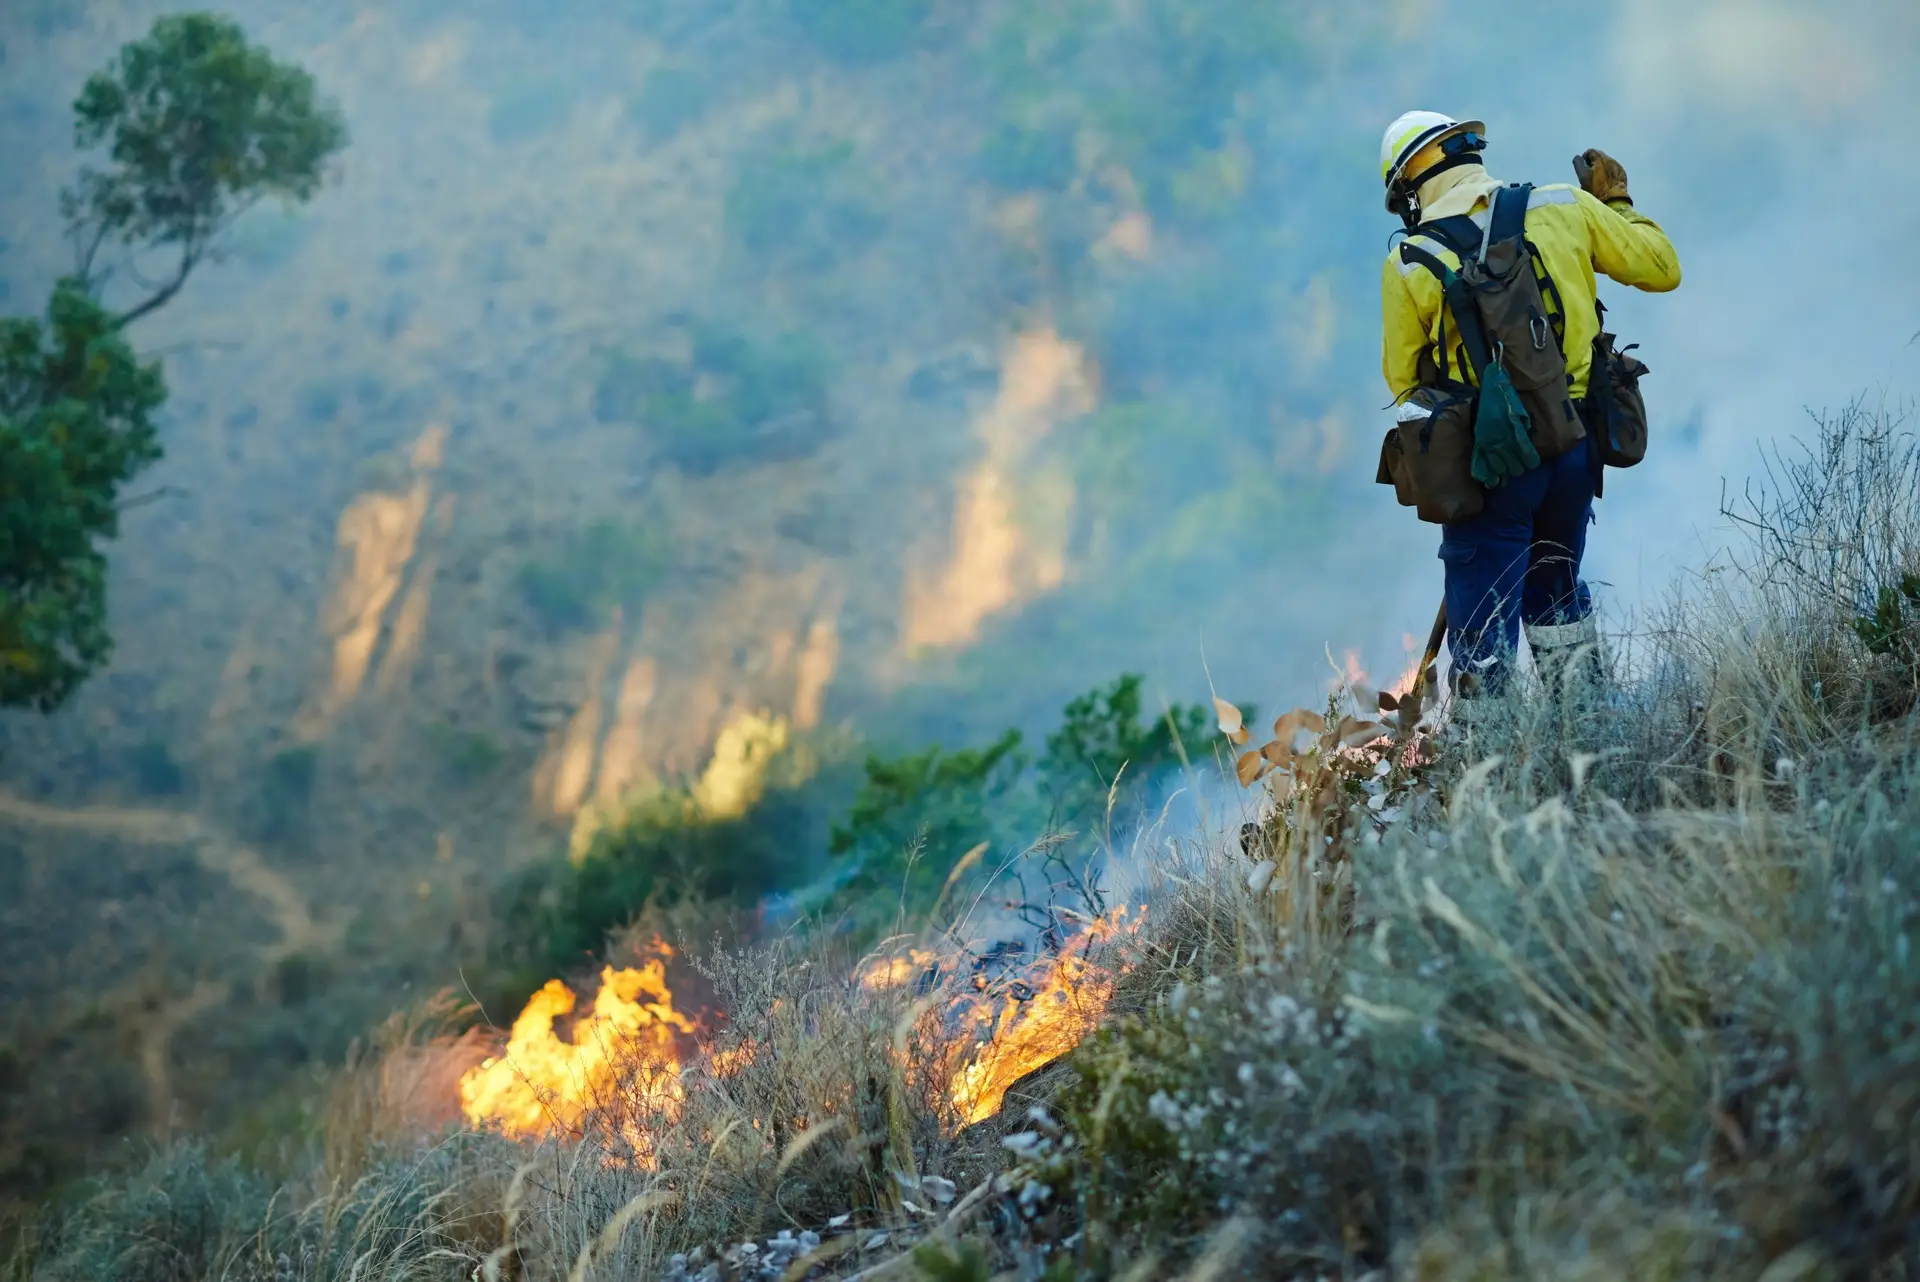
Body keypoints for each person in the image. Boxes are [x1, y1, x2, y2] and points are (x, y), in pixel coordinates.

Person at [1377, 112, 1681, 717]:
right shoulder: (1566, 205)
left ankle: (1488, 786)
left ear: (1411, 185)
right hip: (1574, 449)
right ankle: (1592, 736)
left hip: (1491, 468)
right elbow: (1662, 268)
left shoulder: (1411, 262)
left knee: (1481, 636)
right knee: (1557, 597)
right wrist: (1616, 204)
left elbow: (1405, 381)